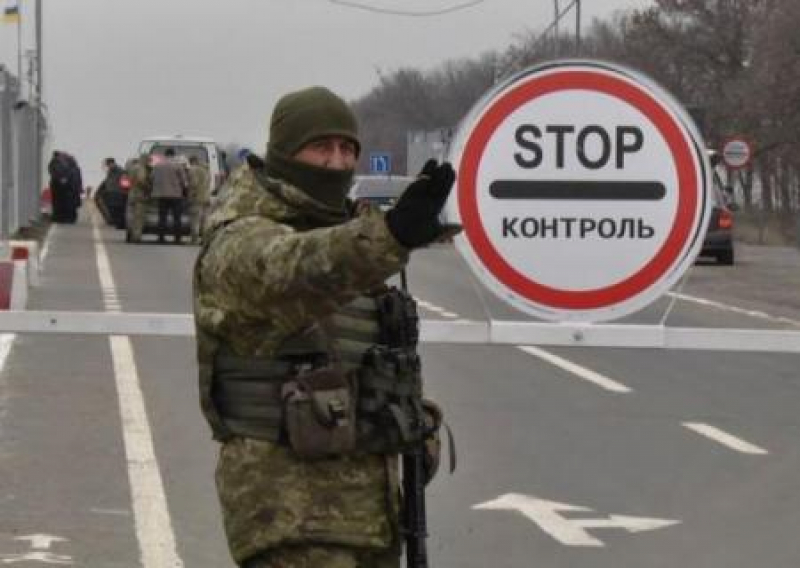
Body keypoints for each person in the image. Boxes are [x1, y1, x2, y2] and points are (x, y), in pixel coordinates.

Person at [193, 86, 456, 567]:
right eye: (320, 148)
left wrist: (407, 419)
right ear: (283, 154)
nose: (337, 162)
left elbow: (353, 362)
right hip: (291, 515)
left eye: (347, 149)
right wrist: (391, 235)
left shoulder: (348, 235)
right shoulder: (241, 235)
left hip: (368, 514)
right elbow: (292, 268)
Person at [150, 147, 188, 243]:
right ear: (173, 155)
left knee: (162, 217)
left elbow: (152, 178)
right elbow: (184, 181)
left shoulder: (157, 165)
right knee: (177, 217)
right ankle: (177, 238)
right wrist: (185, 191)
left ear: (165, 155)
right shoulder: (178, 165)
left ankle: (161, 237)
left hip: (161, 195)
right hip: (176, 195)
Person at [126, 154, 153, 243]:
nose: (149, 162)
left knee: (131, 216)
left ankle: (130, 233)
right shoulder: (141, 168)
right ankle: (137, 236)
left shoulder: (133, 167)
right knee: (139, 218)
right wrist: (148, 188)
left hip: (132, 194)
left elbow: (130, 179)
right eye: (149, 160)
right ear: (145, 160)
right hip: (139, 195)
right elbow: (141, 180)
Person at [47, 151, 79, 223]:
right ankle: (69, 218)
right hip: (69, 186)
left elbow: (54, 173)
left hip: (60, 185)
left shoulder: (56, 162)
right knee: (68, 203)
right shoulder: (72, 166)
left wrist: (60, 180)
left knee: (59, 202)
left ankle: (61, 218)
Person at [186, 155, 211, 244]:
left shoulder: (193, 170)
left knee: (195, 220)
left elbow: (194, 184)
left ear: (191, 161)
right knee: (204, 220)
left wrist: (190, 195)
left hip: (197, 198)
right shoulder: (207, 170)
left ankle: (194, 239)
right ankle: (204, 239)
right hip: (206, 197)